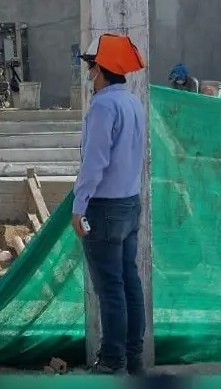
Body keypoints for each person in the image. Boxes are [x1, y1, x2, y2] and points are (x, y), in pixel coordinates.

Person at [73, 33, 148, 376]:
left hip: (103, 209)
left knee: (110, 288)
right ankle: (134, 356)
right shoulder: (133, 102)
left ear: (100, 69)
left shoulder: (103, 106)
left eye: (91, 66)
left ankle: (112, 359)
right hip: (129, 204)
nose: (89, 73)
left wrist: (79, 206)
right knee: (129, 282)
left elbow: (95, 162)